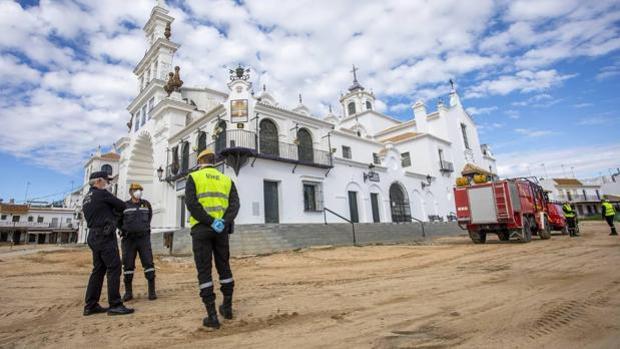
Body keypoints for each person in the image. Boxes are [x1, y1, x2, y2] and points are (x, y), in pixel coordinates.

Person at [185, 149, 240, 329]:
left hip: (201, 229)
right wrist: (222, 221)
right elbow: (234, 205)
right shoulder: (227, 179)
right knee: (224, 266)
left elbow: (192, 204)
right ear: (214, 161)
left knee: (204, 270)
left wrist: (209, 221)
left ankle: (212, 316)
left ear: (200, 161)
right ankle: (228, 308)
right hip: (221, 230)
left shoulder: (194, 178)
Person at [82, 171, 134, 316]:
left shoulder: (86, 198)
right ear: (99, 181)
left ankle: (90, 305)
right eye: (106, 181)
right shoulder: (102, 194)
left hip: (93, 235)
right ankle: (115, 304)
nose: (108, 184)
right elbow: (122, 205)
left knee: (98, 270)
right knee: (114, 268)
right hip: (104, 235)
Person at [120, 183, 157, 301]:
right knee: (128, 265)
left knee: (149, 264)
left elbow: (149, 217)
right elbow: (118, 221)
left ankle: (152, 292)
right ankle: (128, 293)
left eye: (140, 190)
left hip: (143, 239)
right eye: (136, 190)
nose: (139, 192)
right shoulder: (124, 205)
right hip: (128, 240)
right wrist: (124, 230)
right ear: (131, 192)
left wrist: (143, 228)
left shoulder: (146, 204)